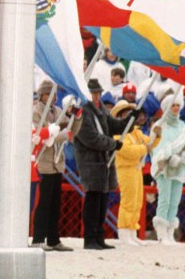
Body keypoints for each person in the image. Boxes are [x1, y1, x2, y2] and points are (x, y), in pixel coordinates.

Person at [73, 78, 128, 250]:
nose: (96, 96)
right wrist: (113, 144)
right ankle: (90, 238)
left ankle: (99, 237)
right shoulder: (82, 112)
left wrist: (129, 120)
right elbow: (90, 138)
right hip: (90, 161)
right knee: (93, 199)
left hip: (104, 161)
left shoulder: (101, 110)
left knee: (102, 200)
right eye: (93, 93)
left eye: (98, 93)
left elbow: (114, 126)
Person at [149, 89, 185, 244]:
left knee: (175, 200)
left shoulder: (182, 126)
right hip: (164, 168)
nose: (175, 108)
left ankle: (170, 231)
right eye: (172, 105)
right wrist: (168, 156)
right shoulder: (159, 125)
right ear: (166, 107)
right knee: (165, 199)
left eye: (177, 105)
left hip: (178, 168)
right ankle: (161, 232)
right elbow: (154, 147)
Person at [31, 85, 81, 252]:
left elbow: (71, 130)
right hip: (43, 162)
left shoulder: (59, 110)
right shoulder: (36, 111)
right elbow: (41, 134)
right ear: (43, 95)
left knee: (55, 204)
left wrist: (77, 117)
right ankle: (38, 238)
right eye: (50, 94)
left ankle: (53, 239)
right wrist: (63, 135)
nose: (54, 98)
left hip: (57, 162)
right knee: (43, 203)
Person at [112, 99, 159, 245]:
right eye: (126, 114)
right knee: (128, 201)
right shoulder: (118, 133)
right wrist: (145, 148)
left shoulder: (136, 132)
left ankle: (132, 231)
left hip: (136, 169)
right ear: (120, 116)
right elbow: (127, 151)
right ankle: (124, 232)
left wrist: (156, 135)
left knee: (137, 201)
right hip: (125, 169)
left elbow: (149, 142)